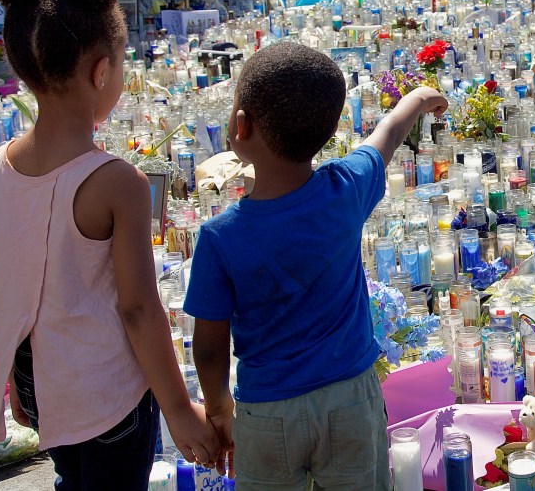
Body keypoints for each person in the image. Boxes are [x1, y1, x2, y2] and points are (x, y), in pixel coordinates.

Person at [0, 0, 219, 488]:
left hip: (43, 384)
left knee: (73, 478)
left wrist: (16, 377)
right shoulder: (116, 182)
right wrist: (179, 410)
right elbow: (137, 309)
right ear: (103, 70)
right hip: (106, 395)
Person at [186, 43, 448, 488]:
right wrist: (420, 98)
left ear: (241, 125)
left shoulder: (220, 237)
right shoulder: (344, 190)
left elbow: (210, 348)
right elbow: (385, 135)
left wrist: (218, 411)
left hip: (267, 410)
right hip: (350, 397)